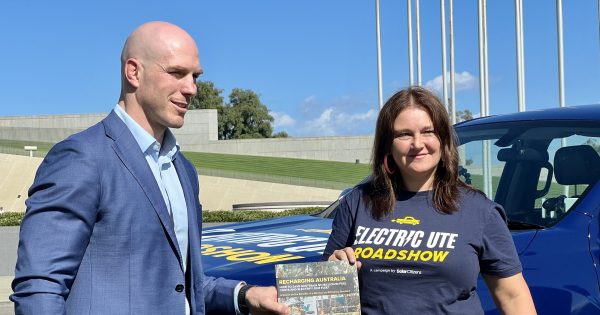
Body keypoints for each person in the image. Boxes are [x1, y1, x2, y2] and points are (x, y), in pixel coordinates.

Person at [11, 21, 290, 315]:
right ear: (134, 72)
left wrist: (245, 295)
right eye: (176, 73)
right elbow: (39, 289)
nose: (192, 88)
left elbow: (181, 286)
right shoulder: (82, 157)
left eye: (195, 76)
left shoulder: (183, 170)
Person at [323, 87, 536, 314]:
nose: (417, 143)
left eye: (428, 131)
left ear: (443, 139)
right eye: (404, 134)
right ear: (388, 144)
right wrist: (331, 271)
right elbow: (324, 296)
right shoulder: (358, 203)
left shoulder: (480, 211)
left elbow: (513, 297)